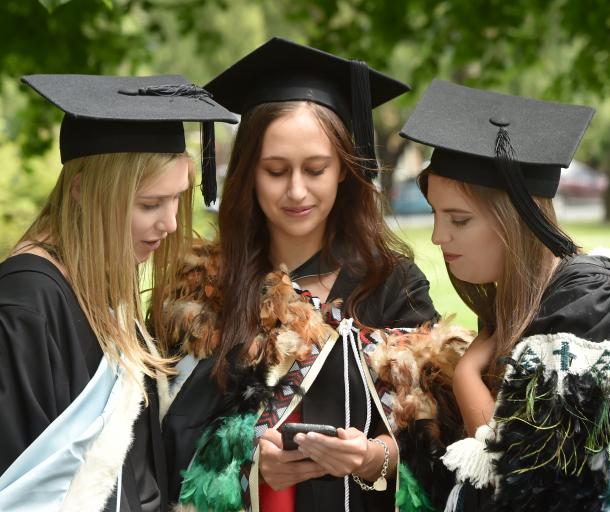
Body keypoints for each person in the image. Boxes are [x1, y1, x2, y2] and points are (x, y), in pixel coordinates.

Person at [152, 38, 459, 512]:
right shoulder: (207, 287)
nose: (297, 191)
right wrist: (249, 466)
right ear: (249, 173)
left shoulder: (393, 284)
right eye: (275, 171)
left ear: (343, 169)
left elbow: (441, 443)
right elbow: (167, 436)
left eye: (315, 169)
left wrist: (374, 459)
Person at [0, 74, 237, 511]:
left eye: (176, 200)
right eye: (149, 204)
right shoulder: (26, 304)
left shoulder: (105, 289)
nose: (169, 224)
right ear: (82, 194)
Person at [401, 79, 610, 511]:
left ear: (517, 220)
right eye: (435, 214)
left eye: (459, 219)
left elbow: (530, 482)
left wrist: (468, 374)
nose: (436, 236)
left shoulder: (588, 306)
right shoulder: (533, 303)